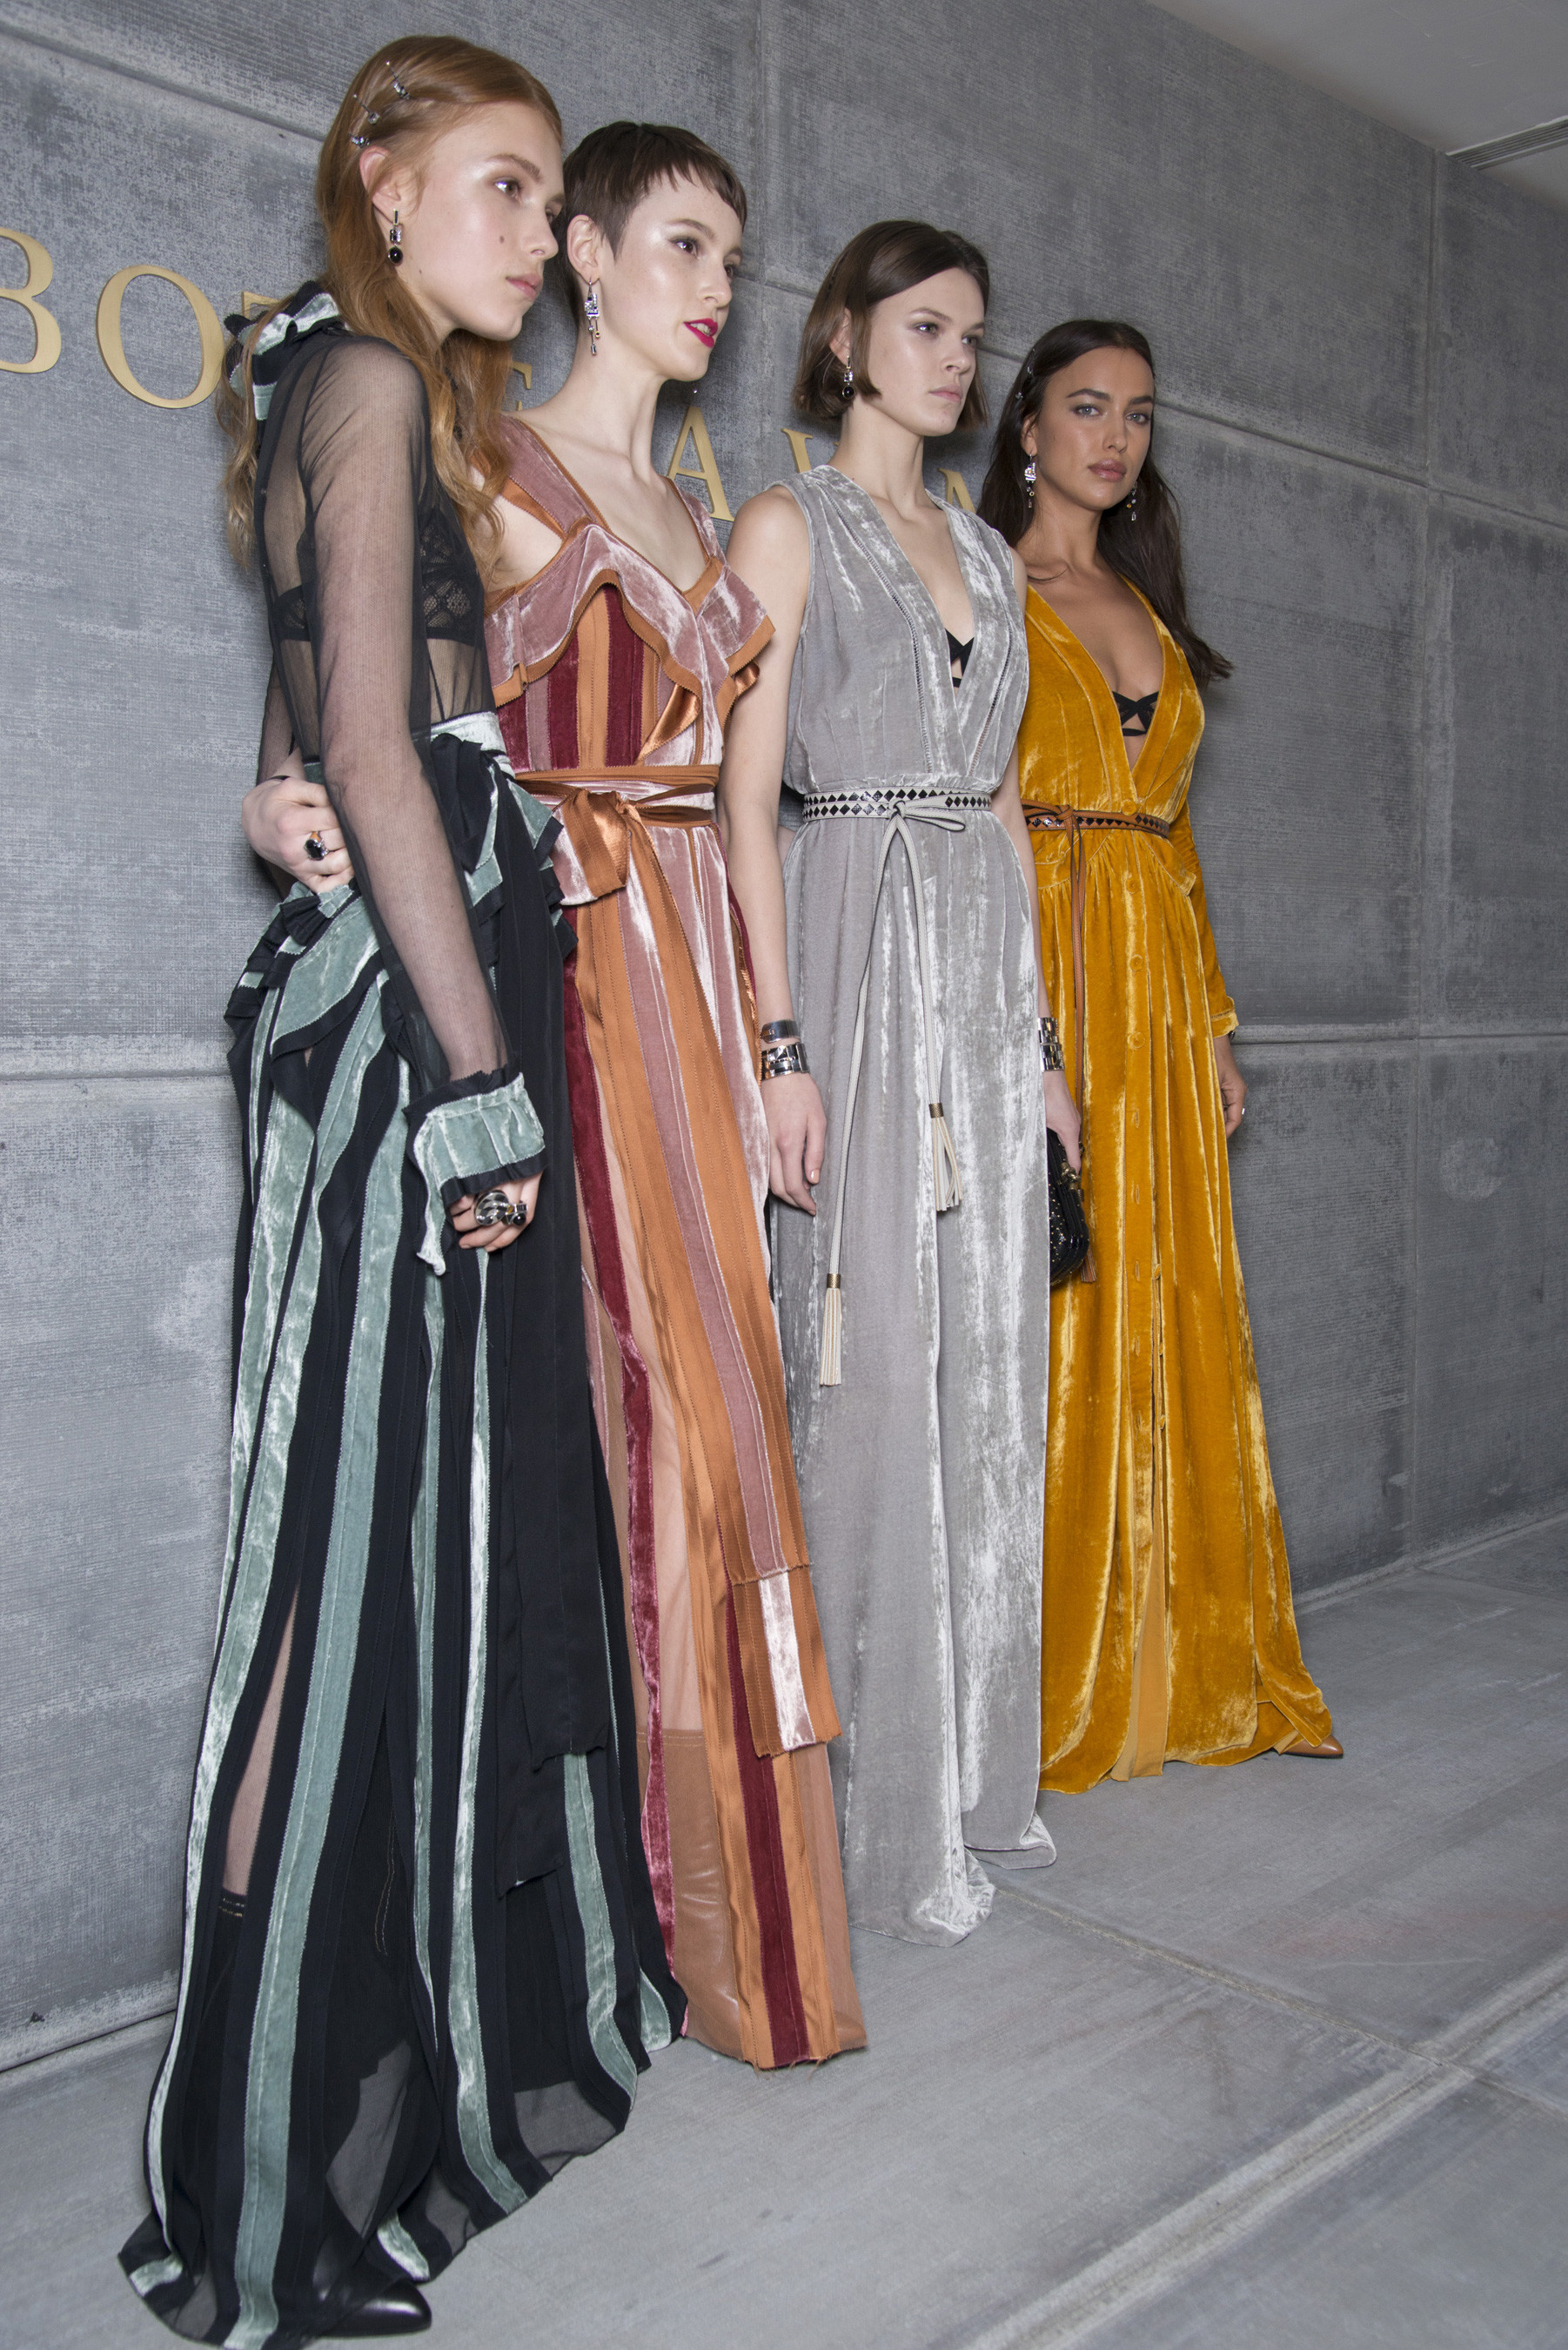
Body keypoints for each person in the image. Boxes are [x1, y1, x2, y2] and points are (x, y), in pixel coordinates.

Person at [122, 44, 680, 2346]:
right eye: (505, 188)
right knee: (349, 1586)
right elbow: (366, 737)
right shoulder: (358, 375)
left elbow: (318, 736)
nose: (538, 235)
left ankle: (356, 2092)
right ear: (380, 181)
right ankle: (265, 2201)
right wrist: (474, 1083)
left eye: (551, 200)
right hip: (415, 1033)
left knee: (409, 1571)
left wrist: (276, 804)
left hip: (427, 974)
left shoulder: (355, 392)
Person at [482, 124, 864, 2068]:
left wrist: (781, 1048)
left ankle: (739, 1931)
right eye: (681, 244)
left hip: (703, 990)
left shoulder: (699, 513)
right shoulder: (493, 469)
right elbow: (404, 735)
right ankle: (631, 1911)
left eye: (730, 252)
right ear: (583, 251)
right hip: (575, 985)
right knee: (630, 1430)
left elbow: (749, 813)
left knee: (728, 1424)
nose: (715, 286)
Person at [719, 222, 1080, 1947]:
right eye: (925, 326)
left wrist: (1044, 1054)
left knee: (983, 1372)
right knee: (856, 1362)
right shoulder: (785, 527)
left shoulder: (988, 556)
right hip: (850, 943)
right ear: (847, 335)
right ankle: (858, 1796)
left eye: (970, 336)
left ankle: (964, 1774)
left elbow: (1001, 805)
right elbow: (740, 802)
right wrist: (775, 1043)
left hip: (980, 976)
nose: (955, 359)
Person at [977, 319, 1340, 1790]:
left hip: (1155, 988)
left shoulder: (1140, 597)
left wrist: (1213, 1022)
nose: (1113, 438)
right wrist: (1023, 1029)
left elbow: (1173, 843)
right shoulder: (983, 582)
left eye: (1135, 414)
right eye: (1085, 408)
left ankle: (1169, 1650)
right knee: (1050, 1306)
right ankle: (1039, 1670)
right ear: (1026, 426)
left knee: (1165, 1298)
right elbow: (970, 820)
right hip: (1041, 959)